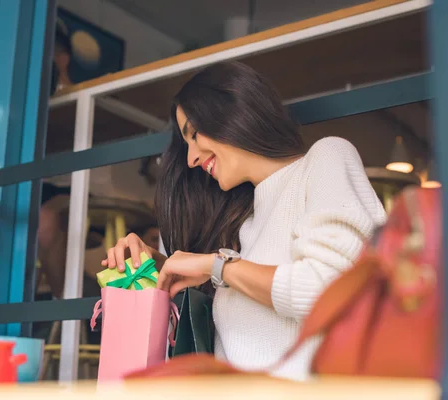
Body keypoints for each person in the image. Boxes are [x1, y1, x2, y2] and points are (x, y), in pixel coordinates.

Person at [101, 61, 387, 381]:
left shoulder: (327, 157)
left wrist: (216, 266)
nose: (191, 158)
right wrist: (155, 267)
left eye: (194, 135)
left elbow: (327, 289)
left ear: (231, 112)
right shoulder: (244, 228)